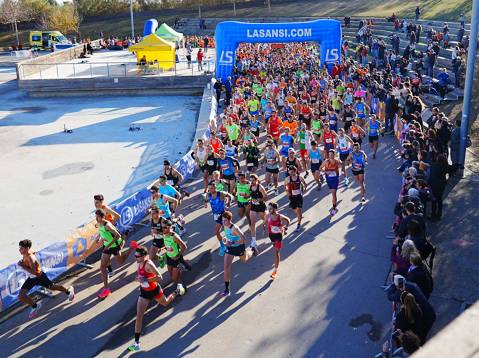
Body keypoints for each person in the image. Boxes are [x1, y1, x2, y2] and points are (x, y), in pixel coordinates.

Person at [127, 245, 184, 352]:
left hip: (154, 290)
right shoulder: (139, 262)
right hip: (144, 293)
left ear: (144, 256)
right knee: (139, 316)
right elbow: (141, 276)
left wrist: (145, 279)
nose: (135, 258)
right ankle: (137, 343)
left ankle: (177, 291)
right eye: (135, 256)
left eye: (137, 256)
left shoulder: (148, 264)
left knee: (166, 303)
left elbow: (159, 277)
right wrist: (139, 279)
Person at [17, 239, 75, 319]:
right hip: (31, 279)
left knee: (53, 287)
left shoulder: (30, 257)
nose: (19, 249)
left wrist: (22, 265)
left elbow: (34, 272)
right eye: (19, 247)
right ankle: (35, 306)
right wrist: (23, 262)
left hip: (39, 277)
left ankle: (69, 291)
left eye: (21, 248)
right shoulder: (26, 254)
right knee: (21, 296)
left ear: (27, 248)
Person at [95, 209, 135, 298]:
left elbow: (117, 235)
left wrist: (108, 245)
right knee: (102, 267)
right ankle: (106, 289)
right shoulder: (99, 224)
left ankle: (131, 248)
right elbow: (102, 233)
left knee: (121, 262)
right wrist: (99, 238)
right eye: (96, 216)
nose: (97, 218)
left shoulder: (107, 225)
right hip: (107, 247)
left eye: (98, 217)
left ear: (103, 217)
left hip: (114, 245)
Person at [219, 211, 254, 297]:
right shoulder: (224, 225)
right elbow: (226, 236)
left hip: (239, 247)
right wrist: (225, 240)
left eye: (225, 220)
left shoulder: (234, 228)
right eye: (222, 220)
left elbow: (244, 239)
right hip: (230, 248)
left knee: (244, 260)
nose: (223, 222)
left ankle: (252, 250)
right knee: (226, 268)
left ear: (230, 220)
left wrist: (233, 242)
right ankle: (227, 290)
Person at [205, 181, 233, 255]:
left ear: (215, 187)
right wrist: (205, 203)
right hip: (216, 215)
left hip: (223, 215)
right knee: (217, 232)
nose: (211, 189)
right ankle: (222, 244)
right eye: (209, 188)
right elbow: (206, 199)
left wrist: (228, 203)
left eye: (212, 188)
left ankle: (230, 244)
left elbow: (230, 196)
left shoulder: (220, 193)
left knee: (227, 230)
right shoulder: (208, 195)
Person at [266, 202, 291, 280]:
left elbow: (288, 220)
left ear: (275, 209)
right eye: (268, 208)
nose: (269, 210)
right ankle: (283, 231)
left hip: (278, 236)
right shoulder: (268, 215)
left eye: (270, 208)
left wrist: (287, 227)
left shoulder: (279, 216)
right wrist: (264, 225)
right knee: (274, 247)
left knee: (276, 252)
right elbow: (265, 221)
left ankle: (275, 271)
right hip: (271, 235)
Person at [428, 154, 453, 221]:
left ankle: (433, 215)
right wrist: (449, 178)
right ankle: (439, 215)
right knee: (439, 199)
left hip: (433, 184)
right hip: (441, 185)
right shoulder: (446, 166)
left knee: (434, 200)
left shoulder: (434, 165)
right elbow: (452, 169)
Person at [284, 165, 307, 231]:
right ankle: (299, 216)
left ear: (295, 171)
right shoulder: (287, 179)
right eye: (289, 171)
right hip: (291, 197)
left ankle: (298, 224)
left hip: (299, 196)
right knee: (294, 209)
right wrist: (286, 191)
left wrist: (305, 189)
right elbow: (285, 185)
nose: (290, 173)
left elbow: (305, 183)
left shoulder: (299, 178)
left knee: (298, 211)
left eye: (292, 172)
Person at [248, 173, 267, 253]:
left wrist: (258, 200)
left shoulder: (260, 187)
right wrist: (248, 198)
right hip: (253, 207)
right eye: (250, 180)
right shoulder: (250, 186)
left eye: (253, 180)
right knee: (252, 223)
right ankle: (254, 241)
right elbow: (250, 195)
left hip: (261, 207)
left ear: (256, 180)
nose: (251, 182)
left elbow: (266, 197)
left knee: (266, 221)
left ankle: (278, 229)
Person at [320, 149, 340, 215]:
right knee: (332, 193)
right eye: (329, 154)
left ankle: (334, 208)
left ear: (334, 155)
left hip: (335, 179)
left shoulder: (337, 161)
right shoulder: (326, 161)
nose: (330, 156)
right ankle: (334, 205)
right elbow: (320, 168)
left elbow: (342, 165)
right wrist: (326, 172)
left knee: (334, 193)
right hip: (328, 180)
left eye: (332, 154)